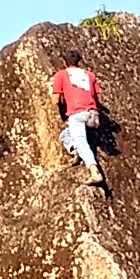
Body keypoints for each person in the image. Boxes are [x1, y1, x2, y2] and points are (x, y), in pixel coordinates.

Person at [50, 49, 104, 185]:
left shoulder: (61, 75)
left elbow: (55, 100)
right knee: (65, 135)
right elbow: (99, 99)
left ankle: (94, 171)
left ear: (64, 62)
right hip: (93, 117)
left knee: (82, 143)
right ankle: (75, 151)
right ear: (79, 62)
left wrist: (62, 99)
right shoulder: (90, 75)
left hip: (77, 115)